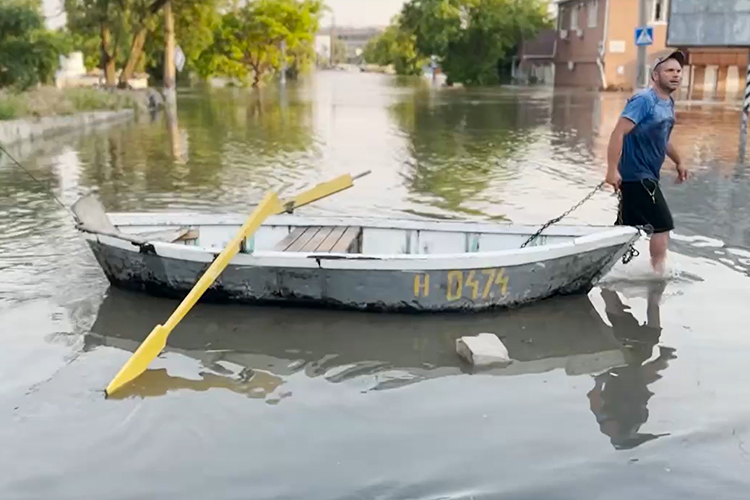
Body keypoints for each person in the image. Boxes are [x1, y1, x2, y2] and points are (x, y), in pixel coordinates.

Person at [605, 50, 690, 274]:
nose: (676, 75)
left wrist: (679, 162)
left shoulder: (668, 103)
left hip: (646, 175)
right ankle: (657, 279)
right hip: (637, 175)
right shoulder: (644, 100)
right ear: (655, 75)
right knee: (662, 224)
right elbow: (618, 132)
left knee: (624, 230)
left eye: (679, 71)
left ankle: (602, 271)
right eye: (669, 70)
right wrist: (612, 169)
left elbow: (663, 139)